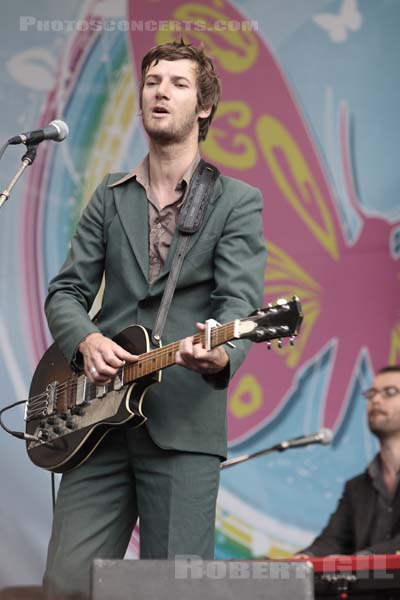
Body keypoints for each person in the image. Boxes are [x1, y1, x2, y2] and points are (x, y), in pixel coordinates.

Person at [42, 40, 266, 598]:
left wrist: (220, 353)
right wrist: (86, 340)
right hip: (97, 427)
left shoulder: (237, 201)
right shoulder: (110, 195)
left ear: (205, 107)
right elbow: (66, 291)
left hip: (183, 425)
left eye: (179, 83)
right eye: (152, 81)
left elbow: (238, 305)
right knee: (66, 585)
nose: (160, 91)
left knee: (176, 590)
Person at [299, 365, 400, 557]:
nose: (376, 400)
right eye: (372, 394)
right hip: (372, 586)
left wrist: (361, 559)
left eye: (390, 392)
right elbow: (333, 541)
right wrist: (307, 558)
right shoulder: (357, 487)